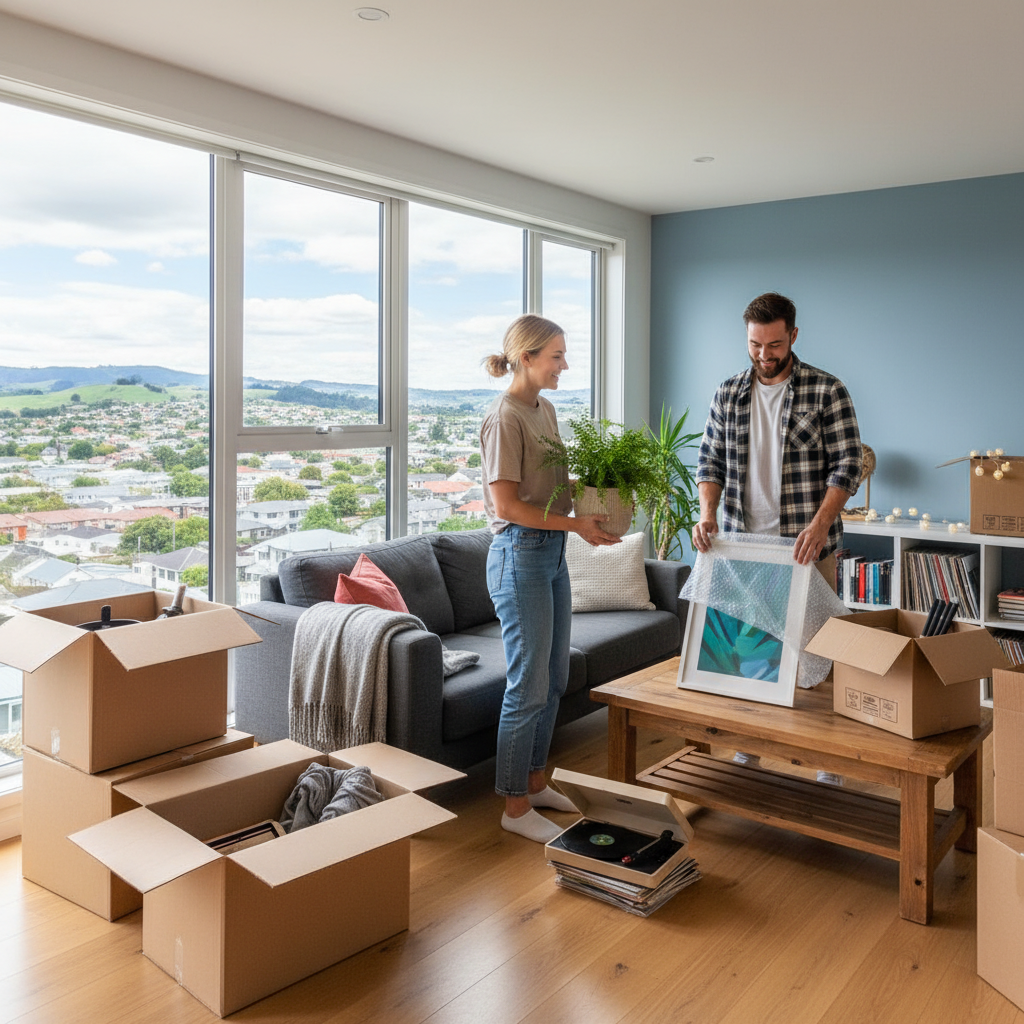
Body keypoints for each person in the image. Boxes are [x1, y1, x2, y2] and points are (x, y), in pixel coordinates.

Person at [692, 292, 862, 783]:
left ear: (793, 336)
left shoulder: (826, 390)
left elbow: (848, 463)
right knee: (752, 653)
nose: (764, 355)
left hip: (807, 545)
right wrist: (707, 514)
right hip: (744, 546)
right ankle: (750, 745)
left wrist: (820, 524)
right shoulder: (728, 393)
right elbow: (709, 461)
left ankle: (828, 760)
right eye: (755, 345)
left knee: (817, 652)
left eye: (774, 345)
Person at [480, 314, 620, 843]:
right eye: (557, 355)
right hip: (519, 557)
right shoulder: (505, 417)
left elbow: (551, 485)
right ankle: (514, 807)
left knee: (556, 678)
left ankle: (535, 783)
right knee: (528, 685)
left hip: (551, 555)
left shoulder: (546, 409)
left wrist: (603, 486)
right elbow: (508, 506)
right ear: (527, 357)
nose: (565, 364)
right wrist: (577, 526)